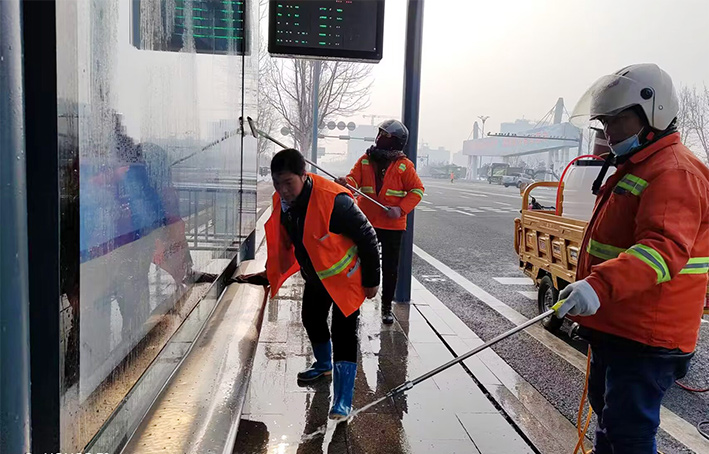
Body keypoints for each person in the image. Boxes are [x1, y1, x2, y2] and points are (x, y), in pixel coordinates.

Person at [560, 63, 709, 454]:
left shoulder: (674, 172)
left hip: (648, 333)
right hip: (619, 322)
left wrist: (598, 285)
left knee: (629, 431)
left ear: (652, 114)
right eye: (603, 123)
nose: (608, 132)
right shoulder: (641, 165)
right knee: (609, 417)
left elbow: (662, 248)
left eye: (617, 120)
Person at [239, 149, 380, 420]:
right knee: (311, 318)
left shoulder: (335, 201)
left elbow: (368, 236)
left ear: (303, 176)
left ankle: (342, 400)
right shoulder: (284, 203)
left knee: (343, 333)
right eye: (277, 183)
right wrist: (268, 274)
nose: (283, 190)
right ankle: (324, 365)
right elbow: (283, 243)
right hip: (317, 275)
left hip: (346, 280)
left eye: (288, 182)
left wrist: (372, 281)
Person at [336, 119, 424, 324]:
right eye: (380, 133)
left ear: (396, 141)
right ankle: (354, 305)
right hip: (365, 222)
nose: (379, 138)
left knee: (390, 269)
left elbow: (417, 190)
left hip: (393, 226)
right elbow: (353, 180)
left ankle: (386, 307)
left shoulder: (404, 166)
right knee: (358, 264)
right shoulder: (365, 160)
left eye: (385, 135)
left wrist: (401, 209)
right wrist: (346, 183)